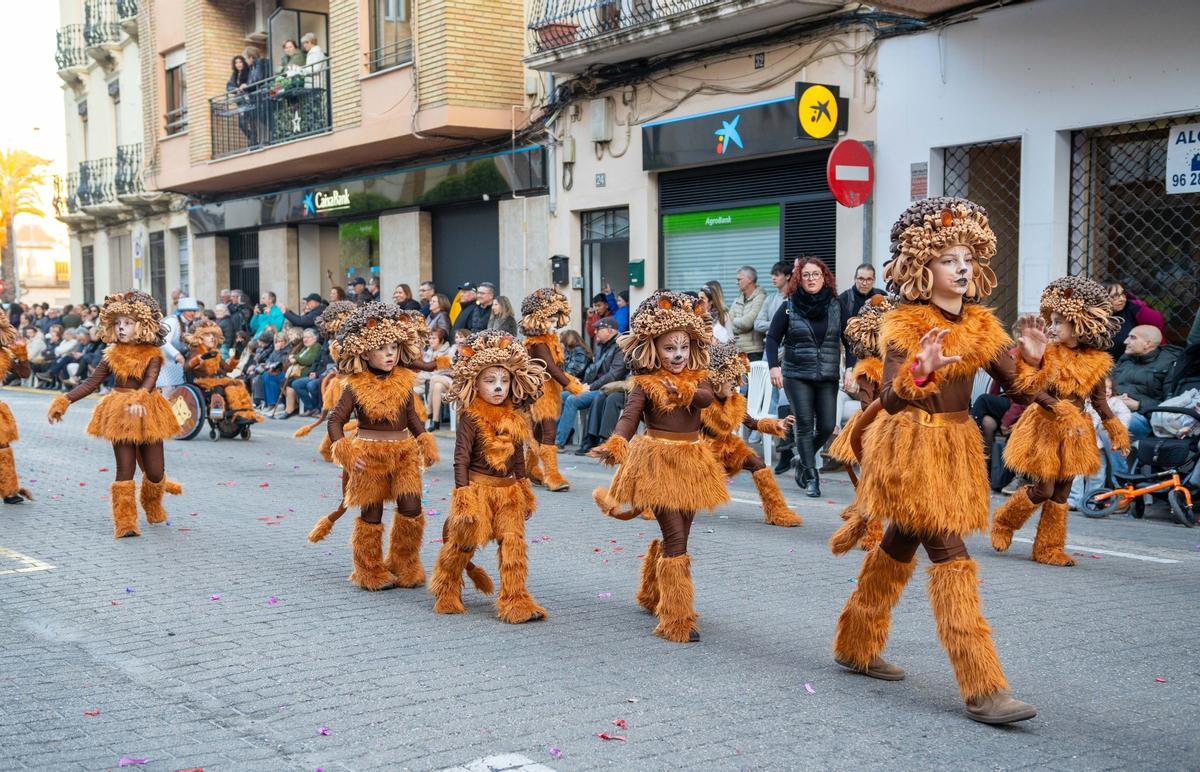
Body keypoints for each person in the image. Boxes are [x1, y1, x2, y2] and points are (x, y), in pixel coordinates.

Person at [829, 197, 1038, 725]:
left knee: (898, 545)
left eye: (967, 256)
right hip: (908, 449)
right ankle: (983, 687)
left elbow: (1023, 388)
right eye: (949, 258)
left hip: (956, 448)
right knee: (952, 558)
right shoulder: (905, 323)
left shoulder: (983, 327)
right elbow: (894, 399)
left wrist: (1035, 357)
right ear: (924, 267)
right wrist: (920, 371)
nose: (963, 267)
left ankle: (855, 643)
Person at [590, 291, 728, 643]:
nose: (678, 355)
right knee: (676, 538)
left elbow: (707, 399)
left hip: (694, 464)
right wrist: (616, 444)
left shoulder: (700, 378)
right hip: (658, 465)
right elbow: (629, 418)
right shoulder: (645, 384)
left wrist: (684, 393)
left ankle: (652, 592)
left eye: (683, 347)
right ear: (653, 349)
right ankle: (675, 618)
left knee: (681, 533)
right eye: (669, 349)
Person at [991, 277, 1130, 566]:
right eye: (1051, 320)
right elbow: (1030, 388)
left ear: (1080, 324)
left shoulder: (1098, 361)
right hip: (1044, 426)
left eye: (1058, 322)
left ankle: (1048, 549)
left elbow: (1099, 401)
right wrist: (1056, 403)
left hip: (1075, 432)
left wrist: (1115, 429)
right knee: (1043, 489)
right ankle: (1004, 520)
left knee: (1062, 492)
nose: (1051, 328)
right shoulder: (1048, 352)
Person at [428, 330, 548, 622]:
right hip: (478, 492)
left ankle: (515, 600)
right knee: (463, 544)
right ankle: (446, 588)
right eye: (490, 381)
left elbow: (518, 458)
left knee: (513, 545)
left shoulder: (515, 417)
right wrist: (463, 497)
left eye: (504, 381)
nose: (498, 388)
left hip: (508, 494)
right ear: (475, 383)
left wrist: (524, 491)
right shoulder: (469, 416)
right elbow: (461, 459)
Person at [321, 302, 439, 590]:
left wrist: (425, 440)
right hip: (369, 455)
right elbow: (335, 421)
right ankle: (369, 570)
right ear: (365, 352)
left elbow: (411, 416)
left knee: (411, 508)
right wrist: (346, 451)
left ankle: (404, 563)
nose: (390, 354)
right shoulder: (354, 385)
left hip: (404, 455)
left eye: (394, 348)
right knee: (371, 514)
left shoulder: (404, 380)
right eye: (382, 348)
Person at [48, 291, 183, 538]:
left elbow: (150, 382)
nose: (121, 328)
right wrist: (64, 400)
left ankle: (152, 504)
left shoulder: (152, 354)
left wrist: (139, 399)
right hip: (120, 413)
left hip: (147, 410)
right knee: (125, 469)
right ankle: (125, 523)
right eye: (118, 323)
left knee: (154, 472)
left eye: (128, 323)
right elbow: (90, 382)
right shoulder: (111, 354)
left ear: (142, 326)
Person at [765, 257, 844, 497]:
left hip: (827, 374)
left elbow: (849, 339)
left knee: (828, 425)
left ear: (824, 277)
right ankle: (811, 475)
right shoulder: (790, 305)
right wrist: (774, 366)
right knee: (805, 425)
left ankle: (801, 459)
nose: (811, 279)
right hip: (797, 373)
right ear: (799, 279)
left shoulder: (836, 305)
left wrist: (850, 367)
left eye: (816, 274)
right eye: (806, 275)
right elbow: (772, 338)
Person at [701, 341, 802, 527]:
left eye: (737, 378)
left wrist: (777, 424)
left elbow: (752, 423)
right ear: (717, 380)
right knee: (689, 483)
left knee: (758, 465)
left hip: (730, 447)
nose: (735, 382)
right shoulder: (702, 400)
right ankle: (657, 504)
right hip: (704, 453)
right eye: (730, 378)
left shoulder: (736, 400)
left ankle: (777, 511)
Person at [827, 294, 896, 552]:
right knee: (871, 477)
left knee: (878, 478)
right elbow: (868, 404)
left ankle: (864, 512)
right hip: (872, 427)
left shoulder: (893, 362)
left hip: (890, 425)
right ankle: (872, 530)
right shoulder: (869, 368)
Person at [520, 289, 586, 492]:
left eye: (554, 318)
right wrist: (570, 384)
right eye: (549, 318)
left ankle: (528, 469)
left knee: (538, 432)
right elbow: (550, 367)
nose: (553, 322)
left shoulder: (547, 339)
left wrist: (566, 381)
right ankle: (551, 474)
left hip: (547, 390)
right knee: (548, 431)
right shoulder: (538, 342)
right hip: (540, 392)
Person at [292, 301, 360, 459]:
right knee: (339, 418)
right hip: (345, 383)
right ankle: (334, 449)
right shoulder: (336, 342)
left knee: (348, 419)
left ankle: (338, 449)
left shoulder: (357, 338)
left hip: (360, 383)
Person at [557, 317, 622, 451]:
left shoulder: (620, 346)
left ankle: (558, 442)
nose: (595, 332)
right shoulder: (601, 347)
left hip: (608, 390)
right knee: (561, 396)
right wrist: (581, 385)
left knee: (572, 400)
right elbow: (593, 370)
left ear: (610, 330)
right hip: (593, 386)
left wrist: (590, 386)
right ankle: (554, 436)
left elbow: (613, 375)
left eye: (599, 329)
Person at [184, 320, 262, 426]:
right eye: (207, 335)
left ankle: (243, 413)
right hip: (201, 383)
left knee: (237, 384)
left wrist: (237, 355)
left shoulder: (215, 353)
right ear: (200, 337)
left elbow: (228, 369)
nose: (212, 337)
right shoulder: (196, 351)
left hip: (217, 380)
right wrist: (200, 358)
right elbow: (186, 367)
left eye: (213, 335)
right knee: (220, 387)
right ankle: (217, 414)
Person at [1111, 324, 1177, 437]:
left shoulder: (1170, 364)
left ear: (1147, 343)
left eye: (1133, 337)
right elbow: (1107, 386)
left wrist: (1138, 405)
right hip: (1113, 408)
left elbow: (1172, 405)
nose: (1125, 341)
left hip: (1143, 417)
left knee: (1110, 425)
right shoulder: (1126, 359)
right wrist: (1111, 397)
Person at [0, 315, 32, 503]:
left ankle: (9, 490)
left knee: (3, 447)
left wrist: (22, 354)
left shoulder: (4, 354)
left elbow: (24, 373)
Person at [838, 263, 886, 370]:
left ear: (874, 280)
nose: (864, 283)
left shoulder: (881, 296)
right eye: (861, 279)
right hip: (851, 356)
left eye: (869, 279)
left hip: (877, 357)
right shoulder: (844, 298)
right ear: (855, 278)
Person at [1105, 281, 1166, 360]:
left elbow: (1158, 323)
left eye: (1123, 294)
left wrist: (1138, 308)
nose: (1122, 299)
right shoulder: (1090, 319)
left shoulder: (1132, 310)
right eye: (1115, 296)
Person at [729, 266, 766, 360]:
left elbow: (747, 323)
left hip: (754, 352)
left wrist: (734, 321)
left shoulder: (761, 298)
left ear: (750, 279)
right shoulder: (737, 299)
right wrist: (737, 324)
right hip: (737, 351)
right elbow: (728, 323)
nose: (736, 282)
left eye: (739, 279)